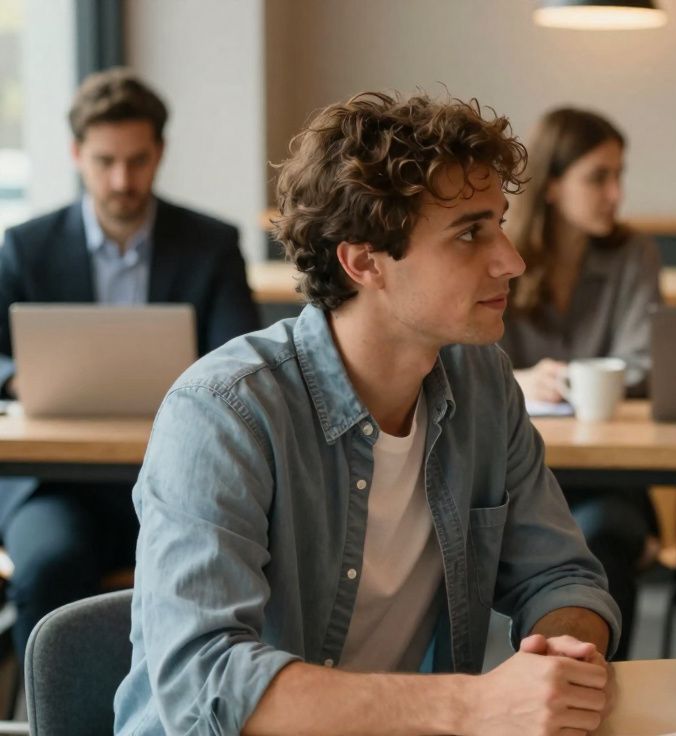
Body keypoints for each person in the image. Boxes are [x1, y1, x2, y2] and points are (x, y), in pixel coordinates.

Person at [113, 91, 620, 736]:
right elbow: (206, 682)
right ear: (362, 262)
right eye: (470, 233)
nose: (511, 260)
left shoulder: (483, 382)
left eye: (500, 224)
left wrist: (558, 658)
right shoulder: (223, 413)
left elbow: (563, 576)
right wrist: (477, 707)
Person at [0, 67, 259, 661]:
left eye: (138, 161)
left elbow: (239, 357)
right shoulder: (27, 245)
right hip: (52, 485)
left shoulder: (210, 244)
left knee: (212, 571)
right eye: (105, 161)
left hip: (179, 473)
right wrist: (20, 378)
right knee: (48, 567)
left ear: (160, 153)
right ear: (76, 153)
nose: (122, 180)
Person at [500, 107, 662, 660]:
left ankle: (602, 686)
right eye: (598, 177)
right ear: (550, 185)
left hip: (610, 474)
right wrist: (518, 380)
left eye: (620, 176)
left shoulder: (632, 253)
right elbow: (466, 365)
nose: (615, 193)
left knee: (605, 532)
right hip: (515, 475)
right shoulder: (501, 257)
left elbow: (644, 364)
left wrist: (576, 381)